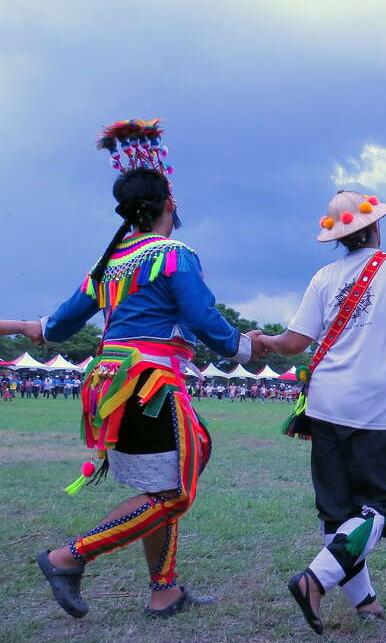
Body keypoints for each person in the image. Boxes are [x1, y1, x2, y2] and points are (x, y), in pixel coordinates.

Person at [0, 120, 259, 619]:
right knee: (175, 491)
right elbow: (206, 321)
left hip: (111, 387)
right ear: (169, 205)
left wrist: (17, 324)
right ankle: (66, 557)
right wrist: (250, 348)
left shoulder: (110, 264)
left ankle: (164, 590)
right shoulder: (174, 255)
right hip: (148, 384)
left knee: (164, 481)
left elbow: (52, 327)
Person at [258, 189, 386, 634]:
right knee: (383, 508)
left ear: (338, 236)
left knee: (338, 510)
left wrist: (262, 343)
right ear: (376, 226)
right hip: (373, 409)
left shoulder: (324, 276)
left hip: (325, 404)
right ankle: (314, 581)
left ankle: (365, 601)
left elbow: (293, 342)